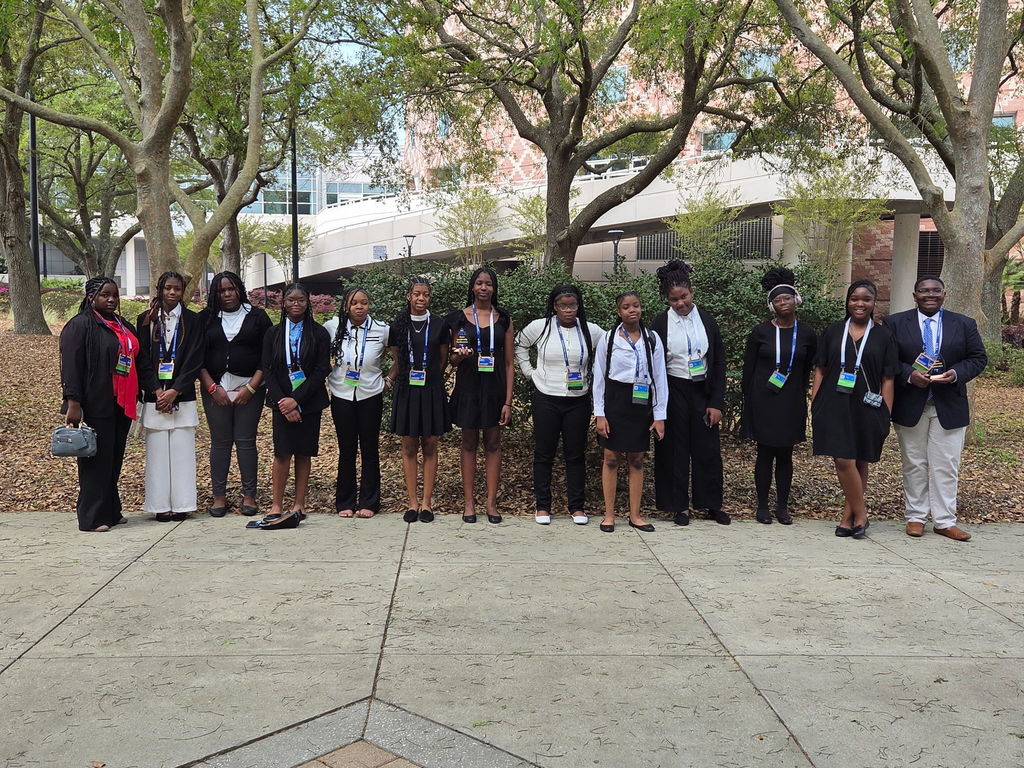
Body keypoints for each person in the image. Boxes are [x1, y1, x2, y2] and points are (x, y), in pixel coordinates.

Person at [887, 275, 987, 541]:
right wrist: (909, 374)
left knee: (946, 465)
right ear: (915, 295)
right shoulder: (895, 323)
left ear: (944, 294)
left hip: (949, 403)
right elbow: (888, 359)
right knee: (914, 463)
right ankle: (916, 517)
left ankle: (944, 521)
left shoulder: (963, 324)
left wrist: (955, 373)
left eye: (936, 290)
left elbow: (978, 358)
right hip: (911, 403)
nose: (930, 295)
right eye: (923, 290)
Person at [811, 279, 899, 539]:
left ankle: (848, 516)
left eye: (866, 299)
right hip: (834, 402)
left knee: (860, 457)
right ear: (847, 302)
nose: (860, 303)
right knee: (843, 459)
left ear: (874, 303)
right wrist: (815, 403)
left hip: (868, 404)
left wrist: (886, 412)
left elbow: (889, 378)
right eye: (854, 298)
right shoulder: (833, 331)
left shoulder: (884, 335)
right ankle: (861, 514)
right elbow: (820, 369)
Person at [514, 284, 604, 525]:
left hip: (578, 401)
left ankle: (577, 507)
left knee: (575, 454)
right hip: (546, 397)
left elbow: (609, 348)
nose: (568, 310)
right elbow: (519, 344)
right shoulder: (541, 326)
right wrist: (529, 372)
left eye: (572, 305)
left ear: (578, 305)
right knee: (544, 454)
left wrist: (595, 377)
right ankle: (543, 506)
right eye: (563, 305)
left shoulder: (590, 330)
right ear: (554, 306)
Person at [650, 260, 729, 526]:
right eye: (673, 299)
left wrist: (716, 402)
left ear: (692, 292)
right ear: (667, 299)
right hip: (673, 390)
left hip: (702, 390)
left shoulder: (707, 320)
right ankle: (678, 506)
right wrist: (658, 406)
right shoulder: (660, 324)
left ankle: (711, 504)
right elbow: (655, 367)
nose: (680, 303)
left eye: (683, 297)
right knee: (673, 448)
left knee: (707, 448)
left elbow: (718, 362)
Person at [60, 277, 139, 532]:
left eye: (114, 295)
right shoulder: (80, 325)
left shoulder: (122, 325)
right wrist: (73, 402)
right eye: (105, 295)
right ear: (91, 296)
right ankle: (92, 517)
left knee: (113, 458)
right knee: (95, 460)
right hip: (97, 401)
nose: (112, 300)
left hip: (122, 401)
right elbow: (71, 367)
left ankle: (111, 511)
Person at [740, 268, 818, 525]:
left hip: (791, 400)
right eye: (777, 300)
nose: (782, 303)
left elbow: (807, 368)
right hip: (763, 400)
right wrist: (748, 402)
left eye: (786, 298)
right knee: (764, 453)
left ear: (796, 300)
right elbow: (748, 370)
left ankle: (782, 506)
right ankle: (762, 506)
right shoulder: (760, 331)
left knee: (785, 454)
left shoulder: (806, 333)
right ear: (771, 305)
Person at [593, 291, 667, 533]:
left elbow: (659, 378)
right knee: (611, 458)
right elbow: (599, 378)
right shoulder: (609, 338)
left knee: (636, 459)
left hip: (640, 401)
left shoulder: (652, 339)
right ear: (619, 312)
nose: (632, 310)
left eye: (636, 305)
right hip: (615, 400)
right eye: (626, 307)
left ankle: (635, 515)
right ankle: (609, 515)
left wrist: (659, 415)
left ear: (641, 308)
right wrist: (600, 414)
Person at [446, 267, 515, 523]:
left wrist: (508, 401)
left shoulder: (504, 318)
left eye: (488, 284)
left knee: (494, 444)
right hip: (469, 388)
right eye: (479, 284)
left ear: (494, 288)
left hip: (495, 389)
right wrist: (458, 356)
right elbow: (452, 360)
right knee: (468, 444)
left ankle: (491, 502)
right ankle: (468, 503)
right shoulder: (458, 319)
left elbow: (509, 363)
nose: (483, 288)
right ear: (472, 287)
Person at [135, 271, 203, 522]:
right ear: (160, 289)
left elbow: (195, 359)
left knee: (182, 452)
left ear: (183, 291)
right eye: (168, 288)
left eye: (177, 288)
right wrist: (157, 390)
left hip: (182, 395)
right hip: (156, 396)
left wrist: (176, 390)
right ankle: (160, 505)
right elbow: (141, 360)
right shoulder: (146, 320)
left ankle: (183, 504)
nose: (172, 293)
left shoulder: (193, 321)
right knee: (157, 455)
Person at [261, 283, 331, 524]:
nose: (296, 304)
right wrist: (284, 402)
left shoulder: (319, 333)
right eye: (291, 299)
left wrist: (296, 400)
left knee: (303, 452)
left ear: (307, 302)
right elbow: (268, 369)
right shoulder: (273, 333)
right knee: (282, 453)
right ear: (284, 303)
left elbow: (322, 369)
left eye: (301, 299)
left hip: (309, 402)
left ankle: (300, 504)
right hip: (281, 401)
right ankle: (276, 503)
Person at [386, 277, 450, 523]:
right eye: (416, 294)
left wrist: (429, 377)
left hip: (431, 389)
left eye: (425, 294)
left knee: (431, 445)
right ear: (408, 296)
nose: (421, 298)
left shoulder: (439, 324)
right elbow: (398, 358)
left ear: (429, 298)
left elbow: (442, 360)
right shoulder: (399, 324)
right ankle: (412, 502)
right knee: (409, 446)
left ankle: (427, 503)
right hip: (407, 389)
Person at [324, 286, 390, 519]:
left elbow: (399, 354)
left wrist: (388, 380)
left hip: (370, 394)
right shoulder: (333, 327)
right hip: (342, 394)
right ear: (346, 306)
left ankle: (370, 502)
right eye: (354, 303)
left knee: (370, 449)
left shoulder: (381, 329)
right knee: (346, 449)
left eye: (364, 302)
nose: (360, 307)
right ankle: (345, 501)